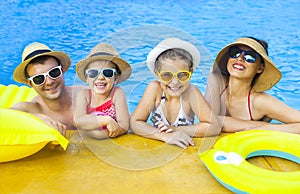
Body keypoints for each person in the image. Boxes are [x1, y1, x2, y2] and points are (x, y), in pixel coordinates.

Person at [130, 38, 221, 149]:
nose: (175, 82)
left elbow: (214, 127)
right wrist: (164, 136)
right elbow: (134, 123)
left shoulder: (191, 93)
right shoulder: (154, 89)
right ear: (157, 74)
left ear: (191, 73)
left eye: (182, 75)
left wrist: (175, 130)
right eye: (167, 75)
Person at [205, 37, 300, 133]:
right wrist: (256, 125)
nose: (240, 58)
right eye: (235, 53)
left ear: (260, 68)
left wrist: (268, 128)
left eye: (250, 57)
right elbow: (207, 120)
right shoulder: (216, 80)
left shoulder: (260, 102)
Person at [12, 42, 77, 136]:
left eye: (54, 72)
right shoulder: (30, 109)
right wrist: (35, 118)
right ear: (30, 83)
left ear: (62, 70)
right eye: (39, 79)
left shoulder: (85, 96)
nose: (49, 82)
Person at [74, 42, 131, 139]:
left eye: (107, 72)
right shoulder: (84, 95)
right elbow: (78, 121)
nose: (100, 77)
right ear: (87, 78)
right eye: (93, 73)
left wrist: (98, 133)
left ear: (116, 78)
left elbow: (124, 126)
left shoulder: (117, 93)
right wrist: (106, 120)